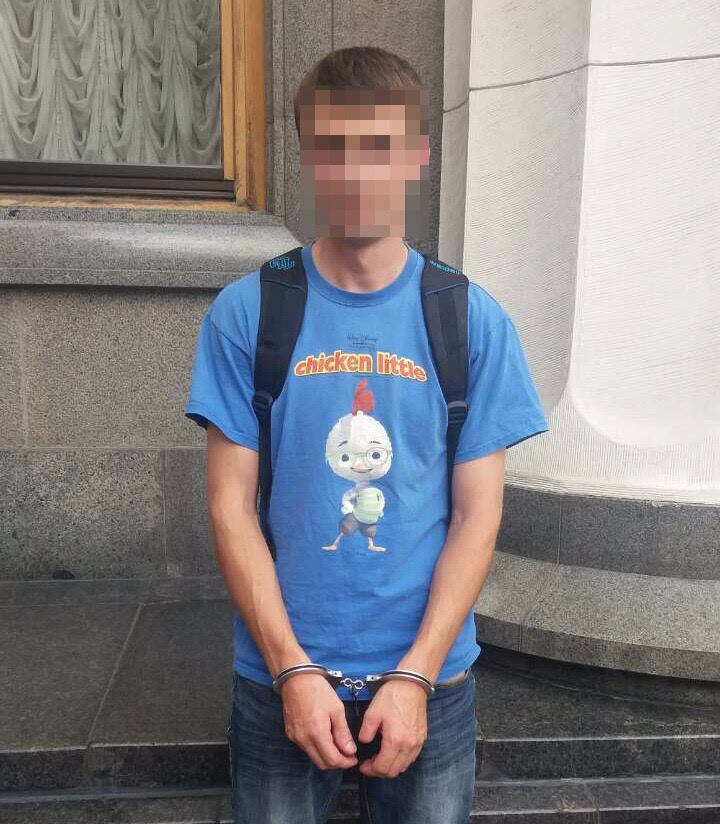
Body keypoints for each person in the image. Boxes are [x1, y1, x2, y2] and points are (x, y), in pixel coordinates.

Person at [185, 45, 549, 824]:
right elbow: (229, 508)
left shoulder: (469, 320)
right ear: (307, 157)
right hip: (280, 673)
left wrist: (416, 675)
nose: (357, 173)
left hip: (431, 681)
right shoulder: (250, 312)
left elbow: (478, 515)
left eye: (379, 147)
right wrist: (292, 670)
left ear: (416, 154)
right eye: (334, 148)